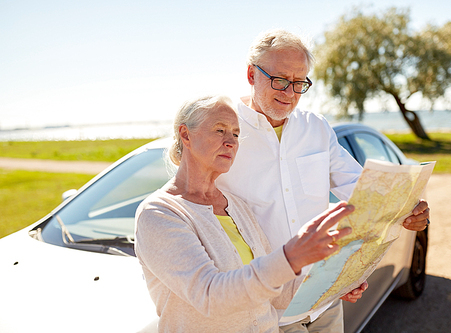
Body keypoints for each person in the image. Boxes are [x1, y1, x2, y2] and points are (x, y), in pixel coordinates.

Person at [216, 29, 430, 332]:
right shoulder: (222, 131)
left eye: (299, 83)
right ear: (251, 74)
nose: (289, 93)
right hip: (262, 312)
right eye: (279, 79)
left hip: (323, 303)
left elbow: (362, 191)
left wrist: (408, 209)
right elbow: (194, 204)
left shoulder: (315, 128)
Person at [135, 95, 357, 333]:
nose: (231, 141)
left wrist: (334, 283)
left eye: (236, 133)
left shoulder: (236, 206)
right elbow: (211, 295)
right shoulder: (159, 213)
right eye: (220, 130)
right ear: (186, 135)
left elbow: (276, 291)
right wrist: (290, 258)